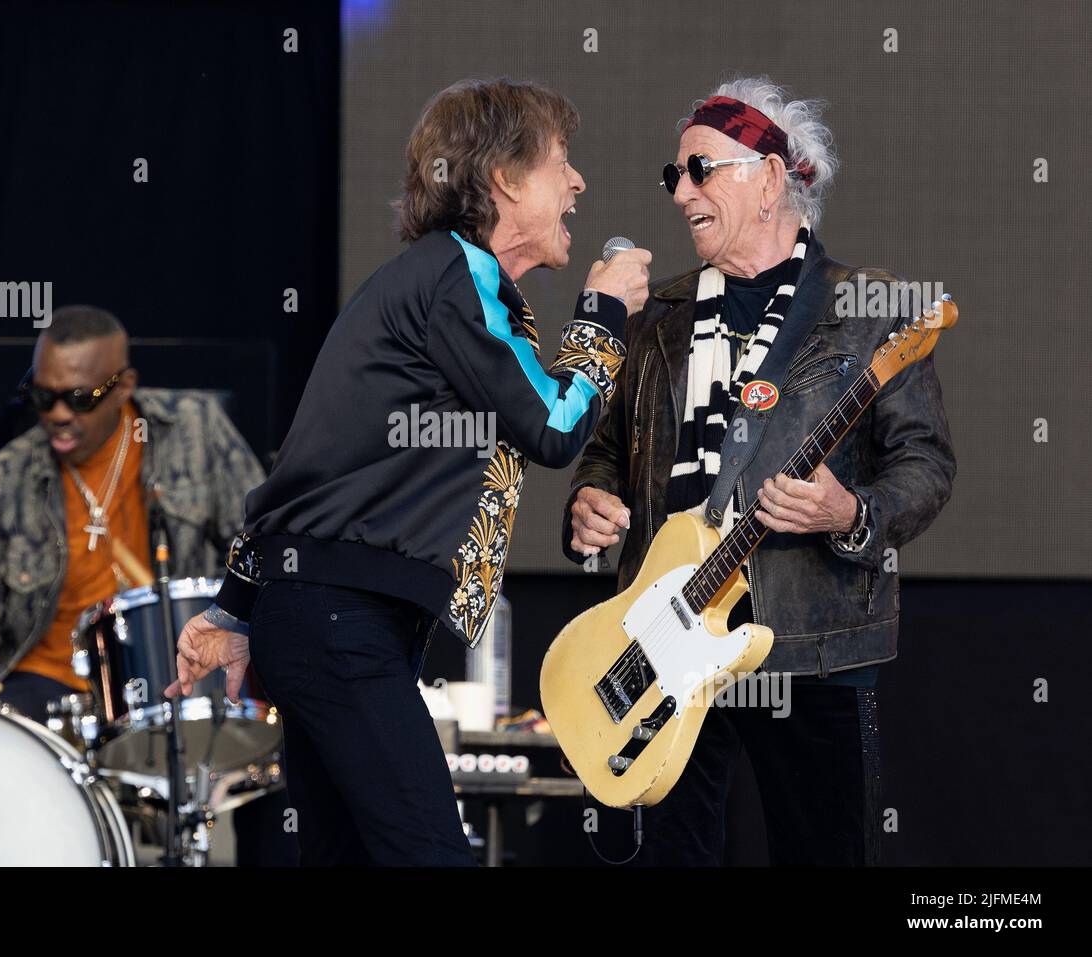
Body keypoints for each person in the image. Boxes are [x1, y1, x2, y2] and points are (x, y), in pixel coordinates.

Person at [168, 78, 651, 865]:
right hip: (339, 624)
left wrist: (235, 608)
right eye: (562, 161)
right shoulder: (457, 277)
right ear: (505, 179)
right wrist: (602, 315)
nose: (578, 182)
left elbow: (307, 463)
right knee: (430, 853)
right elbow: (554, 425)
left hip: (325, 620)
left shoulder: (428, 280)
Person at [563, 77, 956, 866]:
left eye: (701, 168)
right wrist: (588, 497)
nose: (681, 193)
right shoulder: (657, 316)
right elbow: (609, 446)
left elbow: (926, 461)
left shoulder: (870, 309)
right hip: (660, 638)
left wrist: (852, 513)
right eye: (674, 175)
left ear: (771, 178)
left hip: (807, 647)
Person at [0, 305, 265, 723]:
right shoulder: (2, 478)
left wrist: (233, 625)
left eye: (79, 399)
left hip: (181, 667)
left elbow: (259, 542)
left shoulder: (193, 430)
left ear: (123, 387)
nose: (58, 415)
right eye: (42, 397)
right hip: (48, 690)